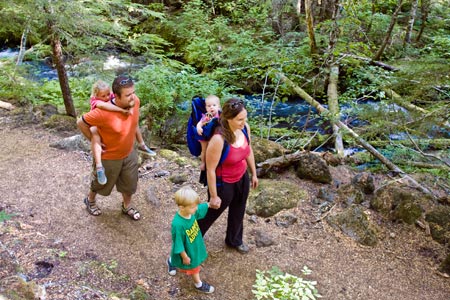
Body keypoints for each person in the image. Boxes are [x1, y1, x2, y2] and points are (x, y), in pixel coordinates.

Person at [197, 98, 258, 254]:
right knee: (210, 214)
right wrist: (214, 196)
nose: (243, 122)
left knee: (239, 210)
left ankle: (234, 240)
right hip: (223, 183)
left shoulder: (245, 129)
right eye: (240, 119)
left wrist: (254, 173)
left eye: (245, 118)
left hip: (242, 176)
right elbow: (210, 170)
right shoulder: (218, 139)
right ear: (229, 119)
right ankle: (191, 239)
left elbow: (248, 150)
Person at [77, 75, 143, 220]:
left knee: (130, 183)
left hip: (129, 151)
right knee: (100, 184)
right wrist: (94, 141)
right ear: (117, 96)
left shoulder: (135, 101)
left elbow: (134, 121)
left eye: (133, 92)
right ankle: (90, 200)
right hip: (109, 156)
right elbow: (81, 123)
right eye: (128, 95)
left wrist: (139, 141)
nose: (133, 97)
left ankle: (127, 206)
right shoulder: (101, 112)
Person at [89, 80, 156, 185]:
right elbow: (105, 106)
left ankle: (142, 144)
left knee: (134, 123)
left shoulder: (112, 95)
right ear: (96, 95)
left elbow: (121, 97)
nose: (107, 97)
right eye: (103, 96)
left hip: (108, 125)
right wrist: (122, 110)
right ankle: (99, 167)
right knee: (95, 137)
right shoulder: (95, 101)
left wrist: (129, 104)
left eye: (108, 94)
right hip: (97, 124)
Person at [167, 186, 215, 294]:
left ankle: (171, 261)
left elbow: (199, 210)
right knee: (194, 266)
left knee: (181, 259)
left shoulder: (190, 213)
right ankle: (198, 284)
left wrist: (209, 204)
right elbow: (178, 244)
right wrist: (184, 256)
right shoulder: (178, 225)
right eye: (193, 207)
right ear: (181, 207)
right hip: (187, 251)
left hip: (194, 244)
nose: (196, 208)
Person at [196, 95, 221, 171]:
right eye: (209, 106)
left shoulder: (220, 115)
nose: (211, 107)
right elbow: (200, 123)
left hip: (214, 136)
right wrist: (199, 127)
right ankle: (203, 162)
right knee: (204, 150)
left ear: (218, 106)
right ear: (206, 108)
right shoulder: (207, 116)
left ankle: (216, 162)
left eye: (214, 105)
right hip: (205, 135)